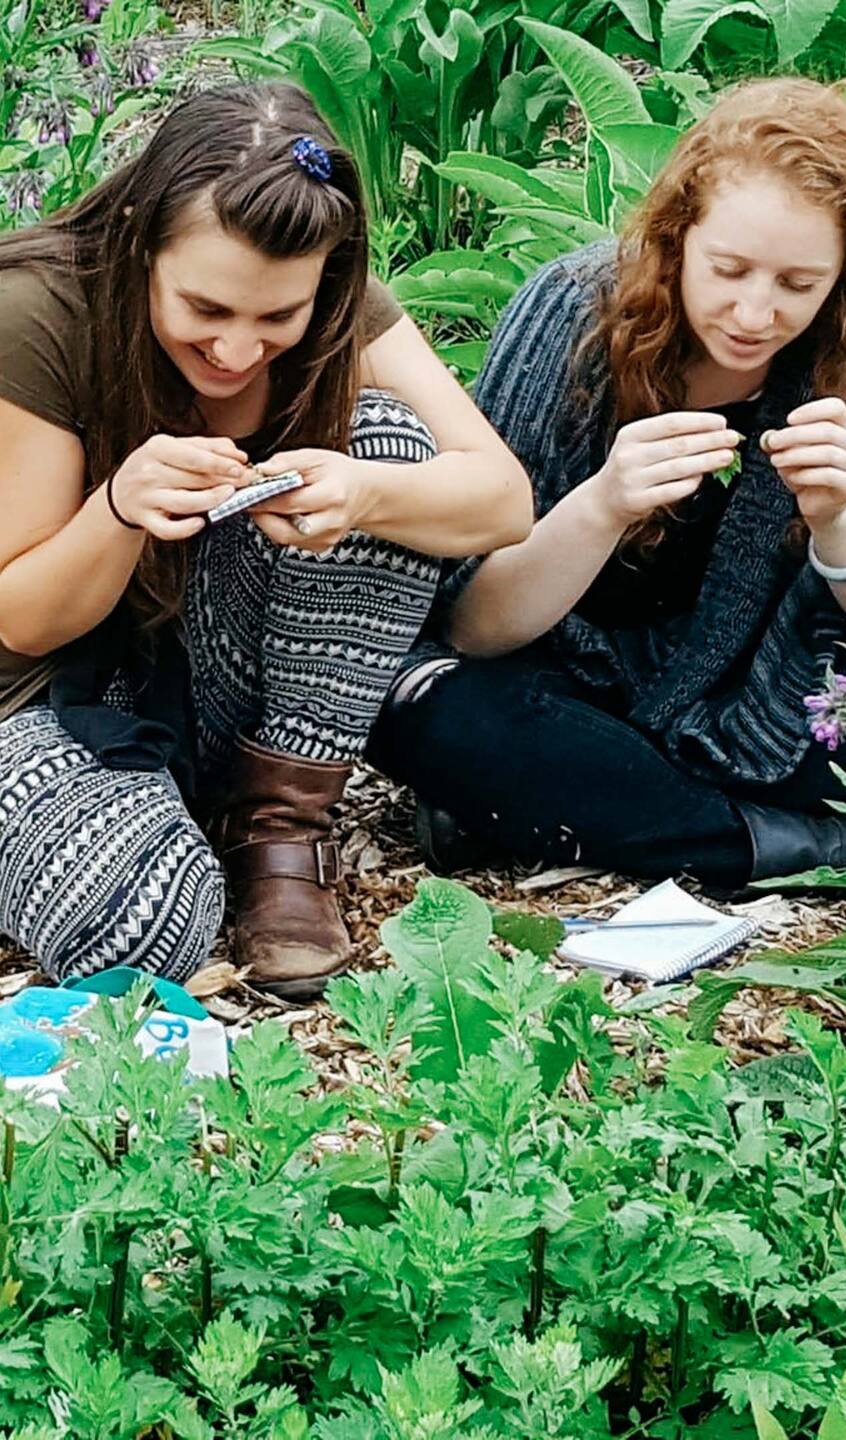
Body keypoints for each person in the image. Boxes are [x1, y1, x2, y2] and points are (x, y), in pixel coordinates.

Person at [0, 81, 532, 998]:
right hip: (56, 694)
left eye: (275, 319)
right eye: (205, 309)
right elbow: (24, 623)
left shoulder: (332, 300)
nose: (239, 351)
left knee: (388, 447)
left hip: (217, 668)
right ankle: (101, 826)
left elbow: (501, 500)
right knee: (144, 927)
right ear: (140, 242)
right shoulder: (39, 313)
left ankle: (280, 827)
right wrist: (119, 507)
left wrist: (363, 492)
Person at [369, 76, 846, 889]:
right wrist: (603, 505)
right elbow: (472, 622)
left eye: (797, 285)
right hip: (576, 676)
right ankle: (783, 845)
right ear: (677, 238)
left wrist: (844, 525)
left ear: (842, 277)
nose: (755, 313)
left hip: (780, 693)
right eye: (729, 270)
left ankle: (599, 812)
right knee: (425, 707)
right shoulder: (573, 313)